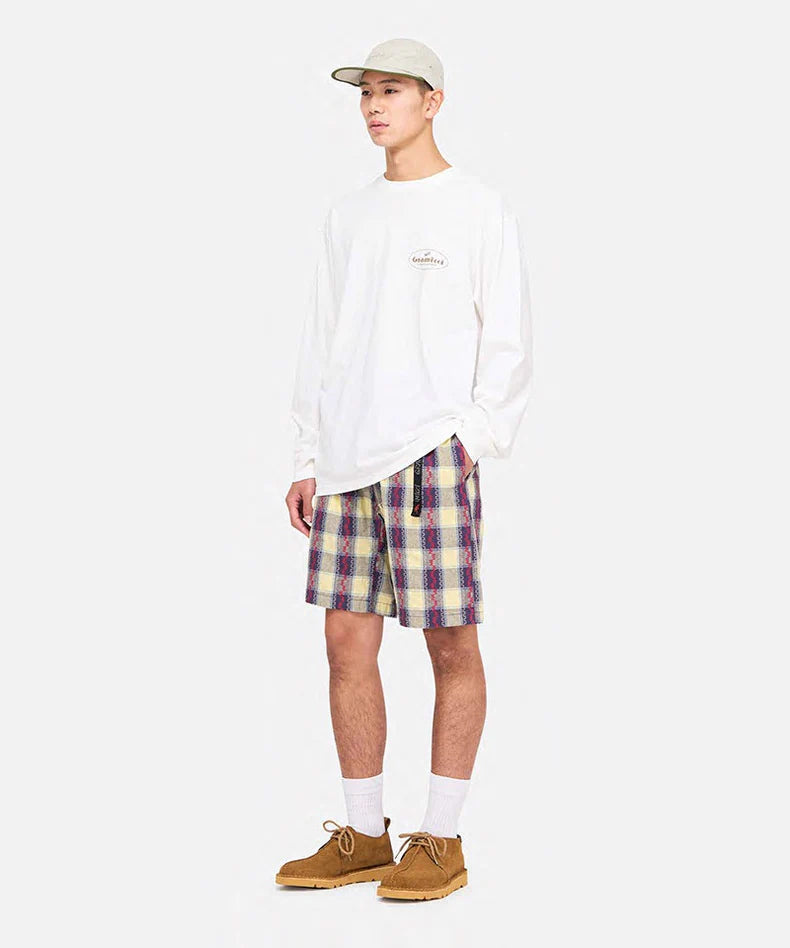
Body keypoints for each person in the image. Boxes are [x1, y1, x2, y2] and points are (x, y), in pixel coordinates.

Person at [279, 37, 533, 901]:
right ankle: (363, 835)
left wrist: (473, 438)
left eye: (392, 91)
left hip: (431, 459)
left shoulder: (477, 208)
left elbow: (509, 337)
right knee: (345, 644)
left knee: (450, 642)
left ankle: (443, 838)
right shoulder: (348, 217)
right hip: (346, 462)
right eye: (366, 94)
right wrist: (308, 454)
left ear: (433, 102)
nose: (374, 106)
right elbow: (322, 339)